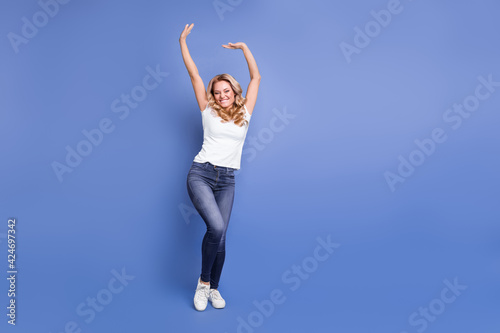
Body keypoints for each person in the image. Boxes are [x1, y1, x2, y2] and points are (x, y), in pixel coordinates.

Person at [179, 23, 261, 311]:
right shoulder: (207, 109)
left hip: (227, 179)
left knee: (221, 235)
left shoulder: (245, 111)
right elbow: (194, 74)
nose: (222, 95)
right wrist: (182, 42)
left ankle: (214, 288)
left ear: (233, 91)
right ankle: (203, 283)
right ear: (212, 95)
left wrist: (244, 49)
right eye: (217, 92)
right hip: (201, 174)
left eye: (226, 90)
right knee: (215, 226)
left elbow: (256, 77)